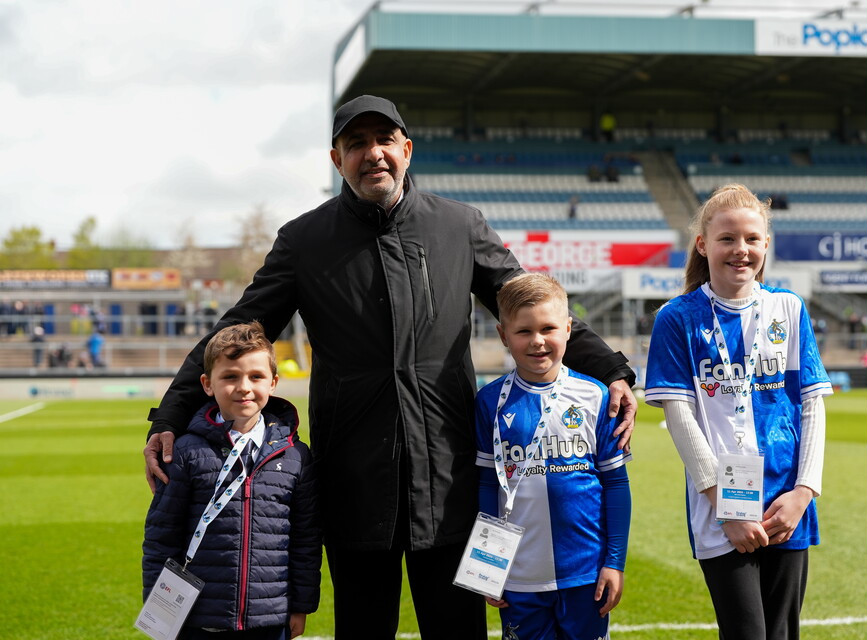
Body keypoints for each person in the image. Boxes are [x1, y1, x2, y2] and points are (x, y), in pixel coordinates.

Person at [143, 94, 638, 639]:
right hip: (354, 482)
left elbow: (532, 305)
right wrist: (169, 417)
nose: (372, 154)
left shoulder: (460, 225)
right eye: (356, 144)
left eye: (384, 141)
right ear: (337, 160)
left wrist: (612, 370)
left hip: (450, 483)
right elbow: (236, 332)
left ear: (406, 149)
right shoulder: (304, 241)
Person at [644, 184, 832, 640]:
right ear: (703, 244)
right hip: (720, 508)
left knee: (783, 633)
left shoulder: (788, 308)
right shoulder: (677, 317)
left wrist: (805, 491)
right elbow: (678, 417)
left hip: (787, 502)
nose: (740, 250)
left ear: (766, 245)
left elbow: (812, 405)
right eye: (727, 238)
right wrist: (726, 507)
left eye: (752, 238)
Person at [473, 274, 631, 639]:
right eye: (523, 331)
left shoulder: (595, 396)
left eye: (548, 328)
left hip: (586, 574)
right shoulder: (489, 403)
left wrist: (614, 562)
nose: (538, 341)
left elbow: (616, 484)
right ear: (503, 335)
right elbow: (486, 485)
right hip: (519, 576)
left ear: (569, 329)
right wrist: (486, 566)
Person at [142, 322, 320, 639]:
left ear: (274, 382)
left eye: (256, 377)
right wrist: (159, 610)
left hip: (268, 616)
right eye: (230, 377)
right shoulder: (186, 452)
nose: (244, 387)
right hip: (197, 617)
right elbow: (161, 536)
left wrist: (301, 605)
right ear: (207, 384)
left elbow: (305, 541)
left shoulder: (295, 456)